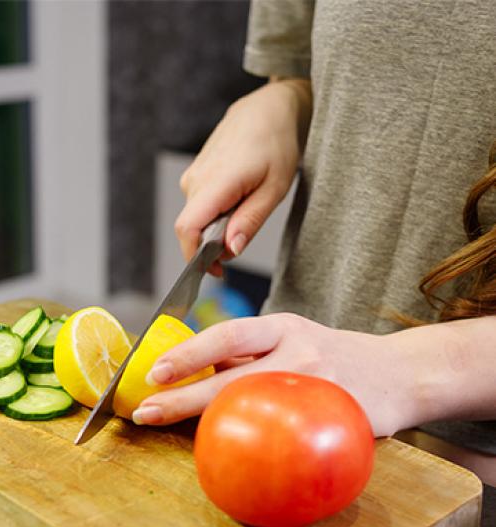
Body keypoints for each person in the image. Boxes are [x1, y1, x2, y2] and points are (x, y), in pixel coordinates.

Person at [130, 0, 496, 455]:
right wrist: (277, 105)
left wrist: (397, 369)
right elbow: (302, 72)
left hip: (468, 474)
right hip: (286, 413)